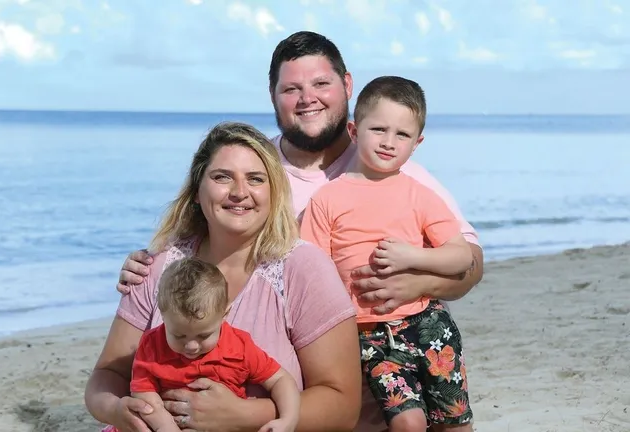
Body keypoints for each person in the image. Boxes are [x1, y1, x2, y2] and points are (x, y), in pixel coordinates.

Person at [115, 32, 484, 431]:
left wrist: (418, 283)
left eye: (321, 84)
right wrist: (145, 266)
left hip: (373, 389)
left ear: (346, 85)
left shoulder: (392, 167)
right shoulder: (255, 168)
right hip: (297, 402)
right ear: (273, 96)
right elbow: (195, 234)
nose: (307, 98)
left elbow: (471, 265)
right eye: (292, 88)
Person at [85, 121, 361, 432]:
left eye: (255, 179)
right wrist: (119, 410)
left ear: (274, 192)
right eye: (222, 177)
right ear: (197, 192)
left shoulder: (304, 269)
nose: (239, 192)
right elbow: (106, 377)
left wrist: (244, 415)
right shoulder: (158, 266)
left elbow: (344, 407)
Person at [300, 75, 474, 431]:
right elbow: (310, 270)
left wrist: (411, 257)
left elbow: (462, 257)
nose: (388, 142)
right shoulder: (327, 199)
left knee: (455, 423)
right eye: (378, 129)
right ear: (354, 130)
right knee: (407, 423)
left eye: (402, 135)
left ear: (417, 143)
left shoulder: (420, 194)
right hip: (368, 337)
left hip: (428, 326)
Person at [110, 256, 300, 432]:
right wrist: (166, 427)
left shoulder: (239, 346)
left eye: (203, 335)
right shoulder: (152, 344)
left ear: (224, 314)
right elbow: (143, 392)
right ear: (162, 314)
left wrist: (288, 419)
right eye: (179, 335)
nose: (191, 346)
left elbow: (280, 380)